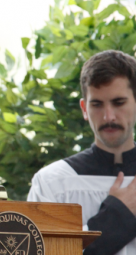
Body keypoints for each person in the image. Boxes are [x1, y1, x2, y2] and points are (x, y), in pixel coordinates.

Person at [28, 50, 136, 255]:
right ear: (84, 108)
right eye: (97, 104)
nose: (108, 116)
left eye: (118, 102)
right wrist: (117, 216)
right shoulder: (52, 183)